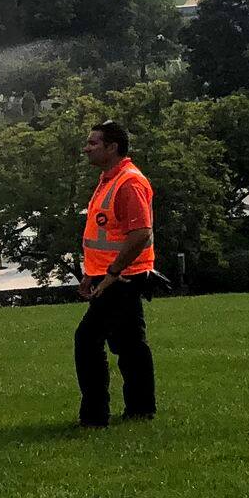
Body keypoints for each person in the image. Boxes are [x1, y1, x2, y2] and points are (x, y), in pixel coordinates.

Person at [76, 120, 155, 427]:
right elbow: (103, 232)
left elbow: (141, 234)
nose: (87, 148)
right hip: (108, 276)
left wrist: (111, 272)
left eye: (93, 143)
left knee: (87, 340)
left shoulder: (129, 182)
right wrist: (90, 273)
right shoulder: (108, 179)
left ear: (112, 147)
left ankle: (95, 416)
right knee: (130, 344)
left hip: (122, 278)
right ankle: (140, 409)